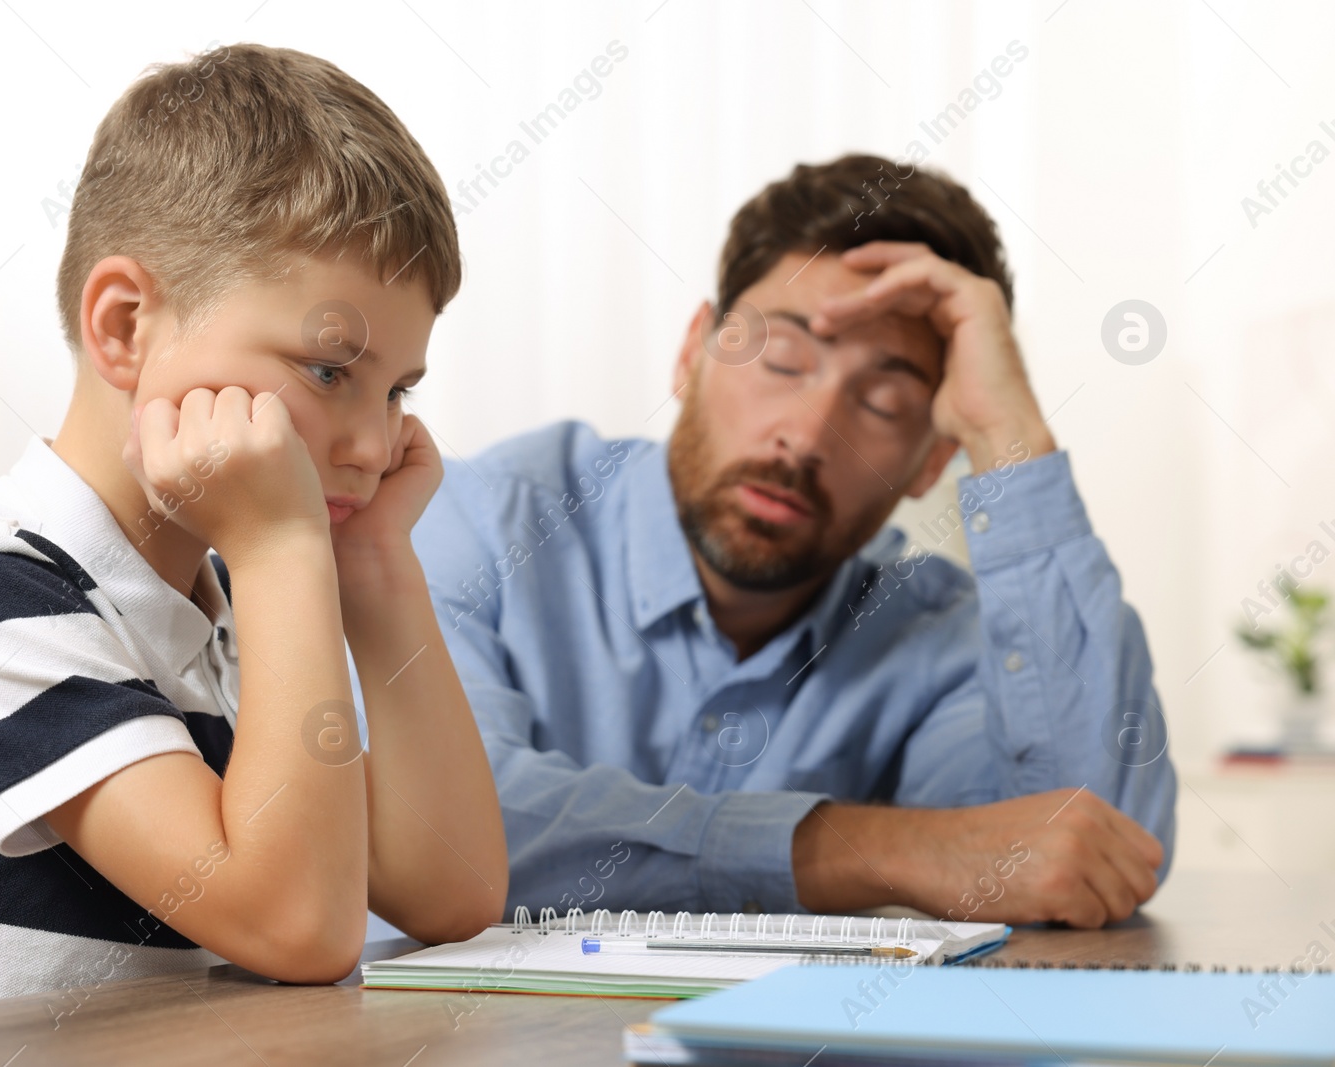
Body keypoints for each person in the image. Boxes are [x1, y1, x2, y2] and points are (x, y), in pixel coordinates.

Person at [0, 43, 506, 1026]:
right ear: (125, 327)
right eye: (331, 370)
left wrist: (375, 569)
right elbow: (299, 924)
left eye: (399, 390)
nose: (377, 444)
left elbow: (453, 893)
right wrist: (283, 551)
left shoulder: (231, 612)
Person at [400, 155, 1175, 931]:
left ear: (934, 457)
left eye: (882, 400)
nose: (805, 436)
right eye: (779, 360)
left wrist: (1009, 437)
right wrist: (868, 850)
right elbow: (435, 834)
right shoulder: (477, 522)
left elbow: (1092, 850)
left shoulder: (937, 635)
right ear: (692, 351)